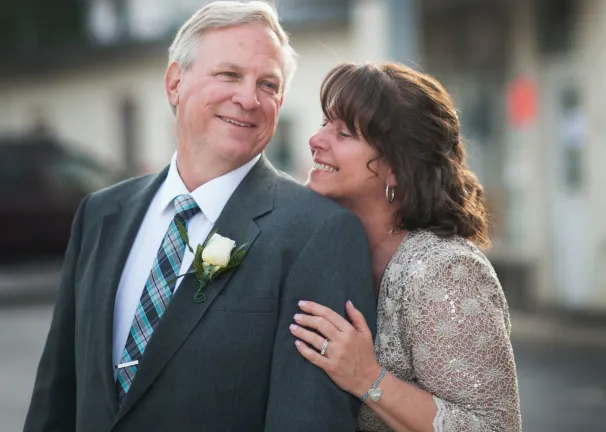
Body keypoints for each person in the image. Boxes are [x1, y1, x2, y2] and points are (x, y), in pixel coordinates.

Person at [23, 2, 377, 431]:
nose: (248, 98)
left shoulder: (316, 232)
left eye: (268, 84)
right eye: (229, 75)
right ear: (175, 82)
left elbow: (309, 419)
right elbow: (56, 394)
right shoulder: (100, 214)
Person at [292, 62, 522, 431]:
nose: (316, 140)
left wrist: (367, 378)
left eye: (345, 133)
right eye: (324, 124)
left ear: (399, 167)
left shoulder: (445, 271)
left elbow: (494, 427)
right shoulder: (326, 252)